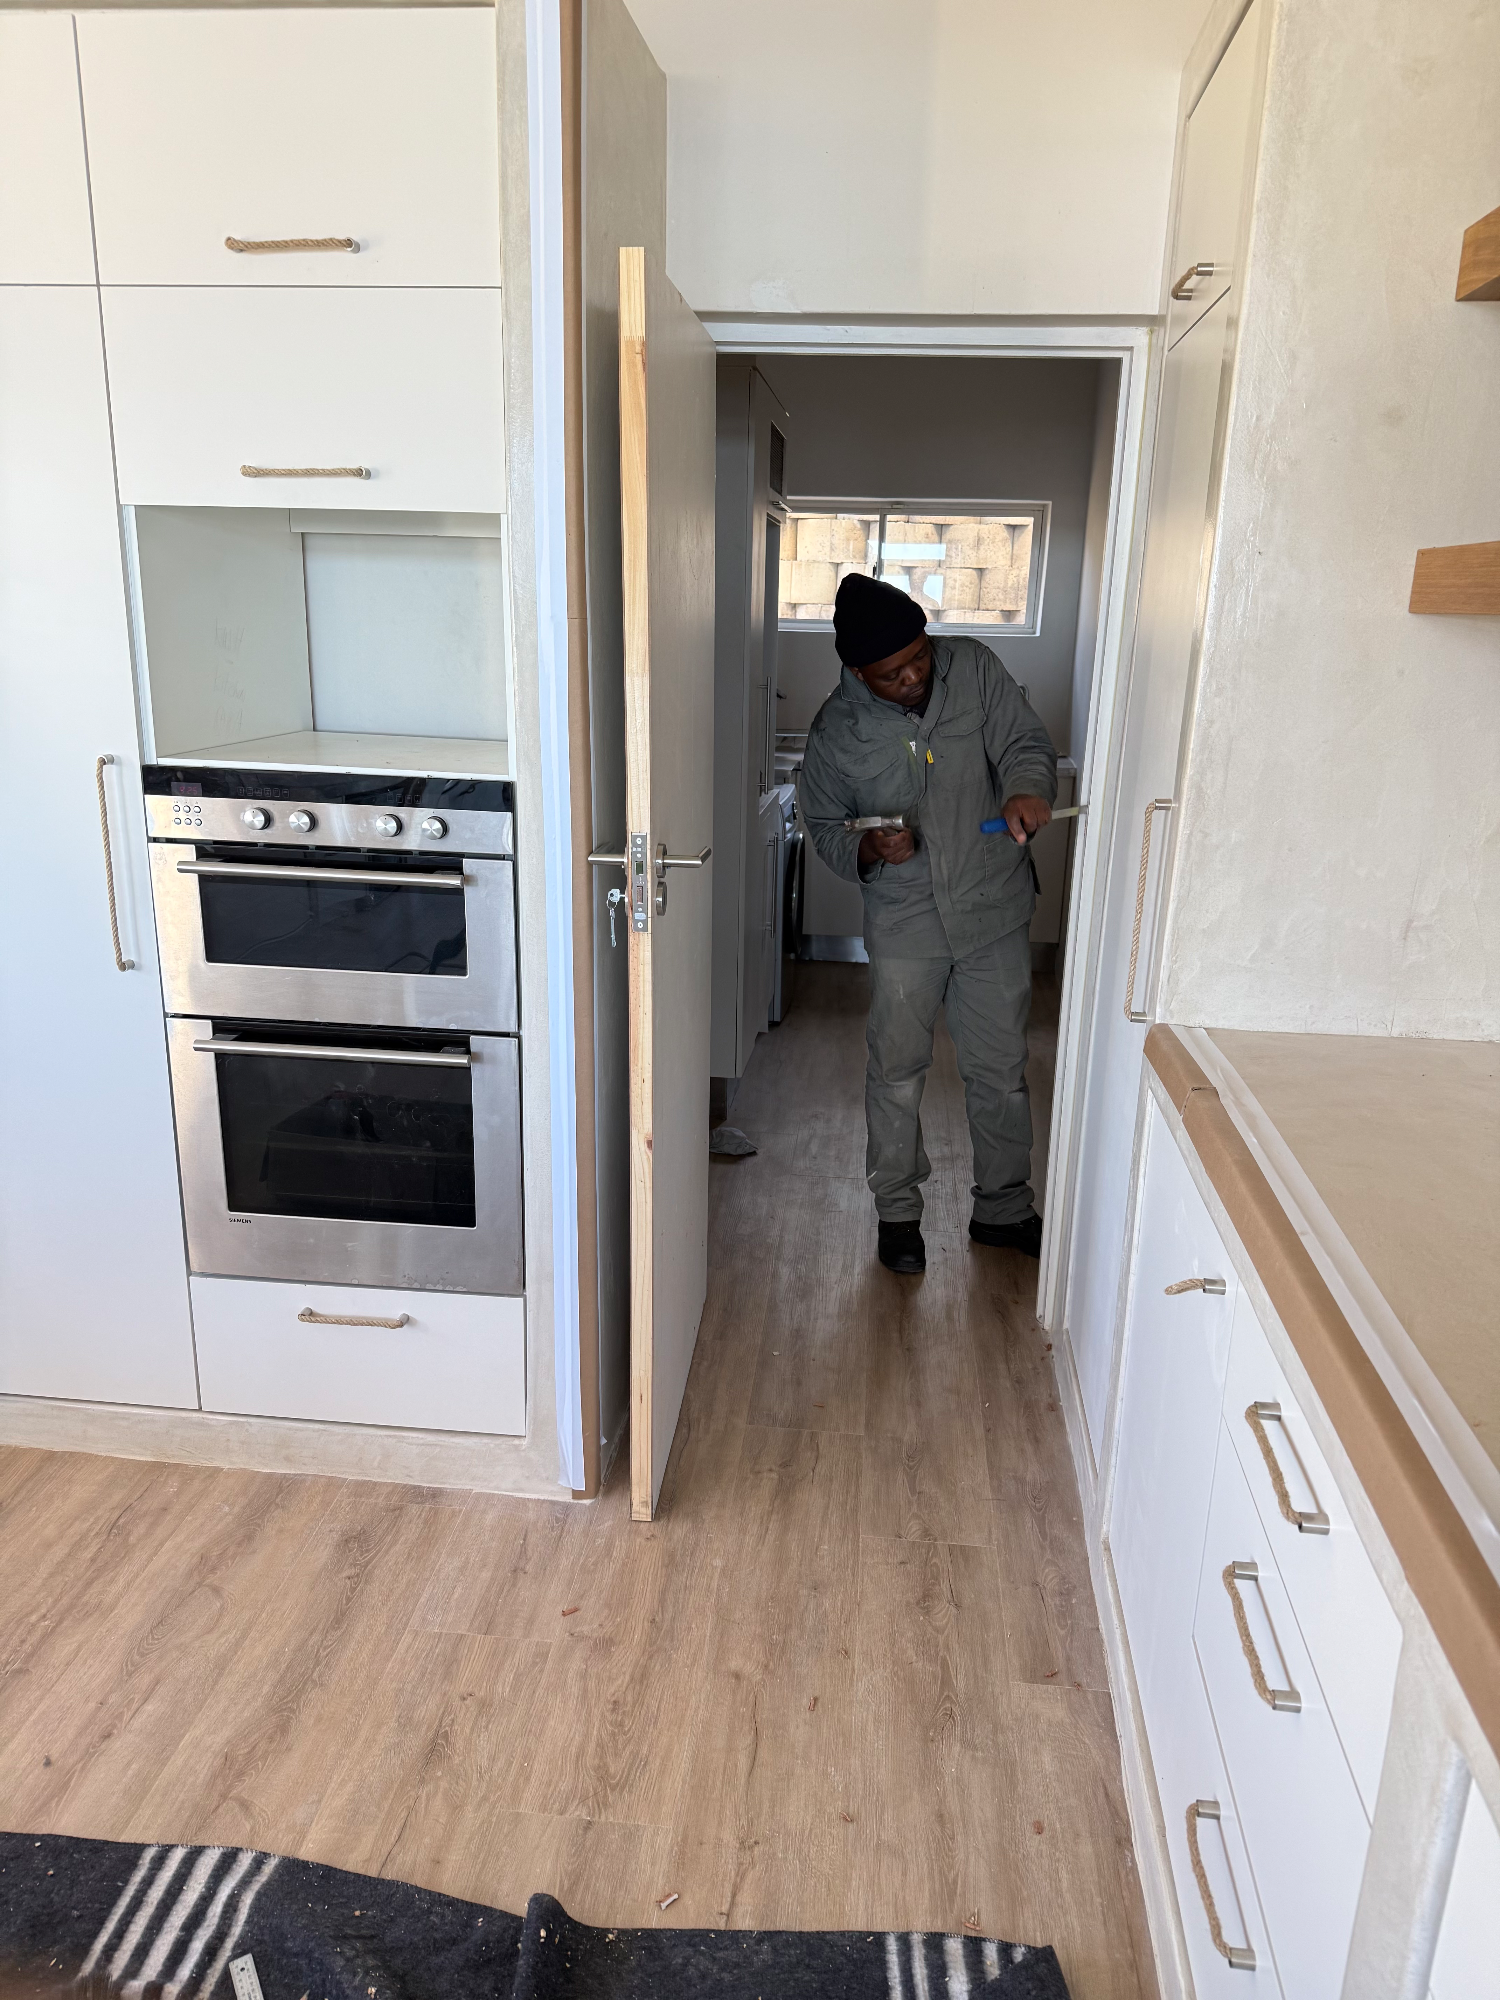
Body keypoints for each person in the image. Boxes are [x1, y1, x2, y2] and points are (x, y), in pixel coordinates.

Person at [799, 571, 1057, 1275]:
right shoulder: (836, 732)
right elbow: (822, 826)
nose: (914, 677)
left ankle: (1004, 1209)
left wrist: (1027, 788)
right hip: (906, 920)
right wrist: (868, 849)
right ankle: (898, 1215)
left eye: (920, 657)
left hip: (993, 906)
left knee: (1000, 1069)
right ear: (859, 673)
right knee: (897, 1071)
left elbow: (1024, 743)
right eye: (892, 673)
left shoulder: (973, 667)